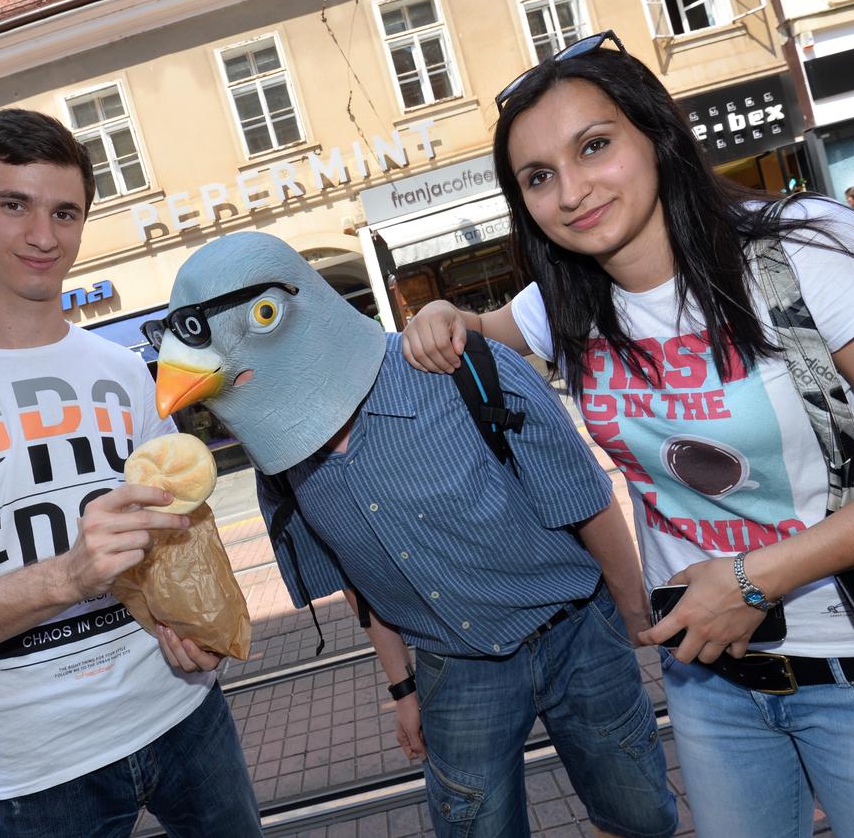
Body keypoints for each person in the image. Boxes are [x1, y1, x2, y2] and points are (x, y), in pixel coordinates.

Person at [400, 30, 854, 837]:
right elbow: (476, 331)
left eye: (595, 146)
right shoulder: (567, 303)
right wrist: (442, 316)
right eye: (539, 177)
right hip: (708, 682)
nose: (574, 190)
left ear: (656, 134)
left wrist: (757, 576)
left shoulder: (803, 248)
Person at [147, 231, 678, 838]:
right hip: (455, 667)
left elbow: (587, 502)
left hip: (579, 633)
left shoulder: (461, 369)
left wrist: (636, 614)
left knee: (637, 816)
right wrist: (402, 687)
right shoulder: (284, 468)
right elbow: (361, 588)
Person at [0, 109, 262, 837]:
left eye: (65, 212)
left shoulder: (126, 373)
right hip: (41, 766)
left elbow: (176, 537)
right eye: (15, 205)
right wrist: (67, 578)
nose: (44, 236)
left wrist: (194, 630)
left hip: (184, 714)